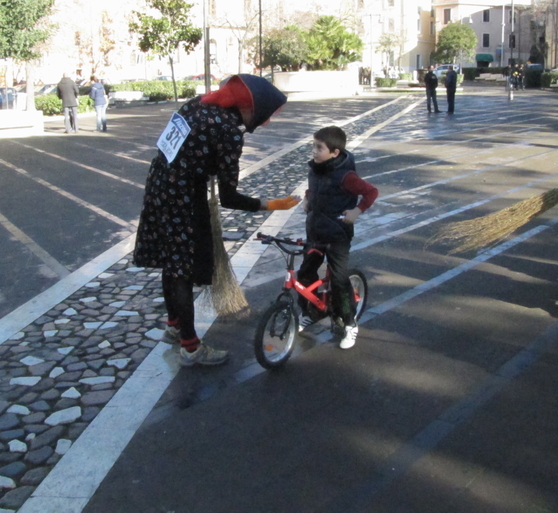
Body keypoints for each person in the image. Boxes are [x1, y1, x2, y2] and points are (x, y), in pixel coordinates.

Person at [133, 74, 299, 366]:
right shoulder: (228, 131)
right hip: (182, 197)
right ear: (250, 108)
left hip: (159, 184)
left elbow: (174, 146)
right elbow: (229, 197)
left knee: (171, 264)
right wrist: (269, 204)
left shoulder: (195, 104)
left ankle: (174, 327)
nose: (265, 122)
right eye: (265, 116)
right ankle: (191, 348)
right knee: (181, 270)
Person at [297, 126, 378, 349]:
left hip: (337, 236)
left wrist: (357, 211)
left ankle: (350, 323)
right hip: (315, 232)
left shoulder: (346, 176)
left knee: (340, 282)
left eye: (319, 148)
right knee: (304, 274)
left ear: (334, 152)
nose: (314, 151)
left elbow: (371, 192)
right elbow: (313, 189)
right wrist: (306, 199)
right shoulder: (315, 169)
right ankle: (312, 312)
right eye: (313, 146)